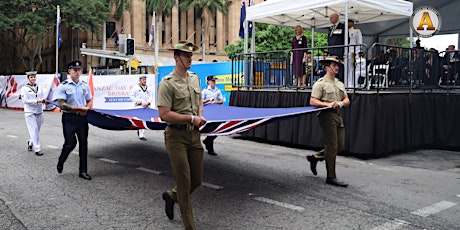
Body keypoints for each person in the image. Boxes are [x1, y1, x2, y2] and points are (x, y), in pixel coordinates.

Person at [157, 41, 206, 230]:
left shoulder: (194, 78)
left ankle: (170, 196)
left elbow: (200, 99)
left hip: (194, 135)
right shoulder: (167, 83)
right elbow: (164, 114)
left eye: (191, 55)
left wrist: (199, 116)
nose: (190, 59)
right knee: (185, 184)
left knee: (197, 180)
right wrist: (190, 118)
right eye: (186, 56)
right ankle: (189, 227)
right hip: (176, 137)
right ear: (176, 57)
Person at [306, 56, 350, 187]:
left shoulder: (339, 83)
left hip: (337, 114)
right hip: (326, 115)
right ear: (327, 67)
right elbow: (313, 101)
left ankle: (315, 158)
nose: (336, 67)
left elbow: (347, 99)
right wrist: (328, 104)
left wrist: (341, 103)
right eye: (334, 65)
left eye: (337, 65)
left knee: (340, 146)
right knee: (332, 146)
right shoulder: (320, 83)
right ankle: (331, 176)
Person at [54, 60, 93, 180]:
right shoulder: (63, 86)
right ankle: (61, 160)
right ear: (69, 71)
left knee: (83, 144)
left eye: (79, 70)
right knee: (70, 143)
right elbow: (61, 104)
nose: (77, 72)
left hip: (82, 118)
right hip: (69, 118)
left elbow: (90, 99)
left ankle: (83, 171)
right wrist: (79, 108)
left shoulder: (84, 85)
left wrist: (86, 108)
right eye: (75, 70)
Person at [20, 71, 45, 156]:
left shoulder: (39, 86)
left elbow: (42, 97)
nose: (33, 78)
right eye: (31, 77)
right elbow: (25, 101)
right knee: (34, 130)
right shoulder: (24, 88)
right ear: (28, 78)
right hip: (29, 112)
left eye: (34, 77)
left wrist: (44, 101)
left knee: (37, 130)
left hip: (39, 111)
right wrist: (37, 101)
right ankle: (37, 149)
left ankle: (30, 142)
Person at [201, 75, 224, 156]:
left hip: (216, 112)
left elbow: (221, 101)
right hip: (207, 112)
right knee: (210, 128)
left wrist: (216, 102)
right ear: (208, 82)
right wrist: (208, 100)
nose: (214, 82)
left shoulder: (218, 90)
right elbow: (200, 102)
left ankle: (208, 140)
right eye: (212, 81)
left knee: (217, 128)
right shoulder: (205, 91)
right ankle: (210, 148)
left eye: (214, 81)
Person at [130, 75, 153, 141]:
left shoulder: (149, 87)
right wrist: (137, 101)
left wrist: (148, 102)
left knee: (144, 119)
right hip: (139, 106)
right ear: (140, 80)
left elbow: (151, 95)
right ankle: (140, 132)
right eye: (143, 80)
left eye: (145, 80)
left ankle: (141, 133)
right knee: (140, 120)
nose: (144, 81)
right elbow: (131, 96)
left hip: (146, 106)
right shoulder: (135, 88)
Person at [328, 12, 345, 82]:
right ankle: (334, 78)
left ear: (336, 18)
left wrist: (344, 49)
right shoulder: (331, 28)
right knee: (332, 64)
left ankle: (340, 80)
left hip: (339, 50)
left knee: (339, 65)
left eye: (331, 17)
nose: (330, 19)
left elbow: (345, 38)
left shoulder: (342, 26)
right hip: (332, 50)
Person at [346, 18, 362, 88]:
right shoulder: (345, 31)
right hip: (346, 53)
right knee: (346, 69)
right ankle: (346, 84)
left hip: (353, 53)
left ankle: (351, 84)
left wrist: (357, 53)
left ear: (352, 23)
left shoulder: (356, 31)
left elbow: (359, 42)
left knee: (352, 69)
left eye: (349, 22)